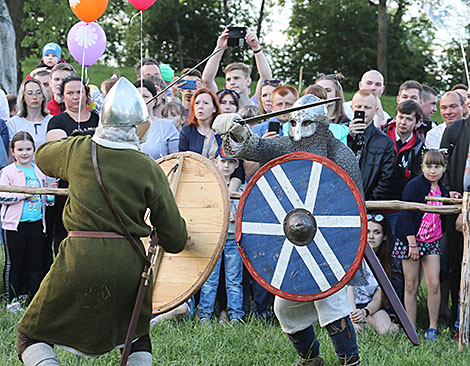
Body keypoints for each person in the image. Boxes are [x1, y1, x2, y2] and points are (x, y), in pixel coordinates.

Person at [16, 77, 187, 366]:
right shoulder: (149, 168)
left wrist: (77, 141)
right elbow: (175, 239)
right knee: (136, 337)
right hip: (129, 267)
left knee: (29, 336)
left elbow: (43, 157)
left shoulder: (78, 150)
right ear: (137, 126)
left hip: (78, 260)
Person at [213, 94, 363, 366]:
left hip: (329, 248)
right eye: (293, 122)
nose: (298, 129)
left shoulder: (340, 154)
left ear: (322, 124)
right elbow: (256, 148)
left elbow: (351, 208)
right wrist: (239, 132)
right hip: (293, 245)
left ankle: (349, 362)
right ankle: (311, 361)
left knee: (333, 307)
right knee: (285, 308)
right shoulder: (287, 146)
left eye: (306, 123)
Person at [392, 150, 449, 340]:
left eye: (437, 167)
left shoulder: (444, 189)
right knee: (411, 284)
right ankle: (411, 325)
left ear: (443, 169)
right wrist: (412, 244)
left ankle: (432, 327)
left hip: (431, 240)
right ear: (422, 167)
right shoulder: (414, 186)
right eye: (428, 166)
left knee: (433, 283)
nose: (432, 171)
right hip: (411, 239)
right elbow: (406, 214)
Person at [0, 132, 47, 310]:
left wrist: (49, 195)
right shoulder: (8, 172)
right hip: (14, 226)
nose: (24, 153)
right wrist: (23, 194)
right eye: (20, 149)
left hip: (36, 224)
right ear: (12, 151)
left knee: (35, 263)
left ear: (34, 150)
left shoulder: (39, 172)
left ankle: (33, 299)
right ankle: (12, 300)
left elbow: (45, 199)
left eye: (28, 149)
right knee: (14, 263)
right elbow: (2, 195)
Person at [383, 100, 424, 303]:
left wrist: (401, 174)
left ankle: (395, 308)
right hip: (377, 201)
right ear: (395, 116)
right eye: (400, 117)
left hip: (400, 207)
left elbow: (414, 177)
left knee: (397, 261)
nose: (403, 122)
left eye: (409, 119)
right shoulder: (383, 135)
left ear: (417, 122)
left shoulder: (418, 146)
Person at [198, 147, 244, 323]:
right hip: (215, 239)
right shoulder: (209, 186)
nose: (225, 166)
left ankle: (236, 315)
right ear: (215, 161)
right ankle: (204, 315)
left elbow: (246, 213)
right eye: (222, 161)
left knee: (234, 280)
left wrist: (235, 216)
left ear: (235, 165)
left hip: (233, 239)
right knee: (210, 279)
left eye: (230, 162)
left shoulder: (241, 188)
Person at [348, 214, 398, 334]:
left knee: (387, 331)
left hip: (369, 308)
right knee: (356, 329)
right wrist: (354, 313)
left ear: (384, 236)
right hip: (350, 307)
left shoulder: (383, 263)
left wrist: (365, 311)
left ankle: (385, 324)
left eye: (377, 232)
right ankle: (366, 323)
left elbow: (377, 298)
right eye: (368, 231)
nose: (371, 236)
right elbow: (350, 289)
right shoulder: (356, 258)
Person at [202, 27, 272, 107]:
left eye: (236, 78)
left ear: (248, 81)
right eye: (228, 80)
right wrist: (219, 47)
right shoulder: (221, 106)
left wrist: (256, 48)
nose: (232, 82)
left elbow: (266, 79)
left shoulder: (256, 103)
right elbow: (207, 80)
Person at [347, 90, 395, 201]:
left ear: (376, 110)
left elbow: (386, 179)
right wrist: (350, 138)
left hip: (369, 204)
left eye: (367, 108)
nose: (362, 110)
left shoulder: (385, 142)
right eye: (359, 106)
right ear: (352, 108)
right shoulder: (341, 133)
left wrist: (369, 204)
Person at [134, 79, 179, 160]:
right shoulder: (124, 126)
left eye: (145, 96)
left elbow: (176, 160)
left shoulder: (167, 126)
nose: (141, 100)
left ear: (154, 100)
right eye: (137, 96)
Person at [7, 79, 52, 151]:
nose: (34, 97)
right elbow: (11, 155)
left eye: (38, 92)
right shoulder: (13, 123)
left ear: (43, 96)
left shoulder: (52, 121)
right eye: (30, 93)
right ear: (23, 97)